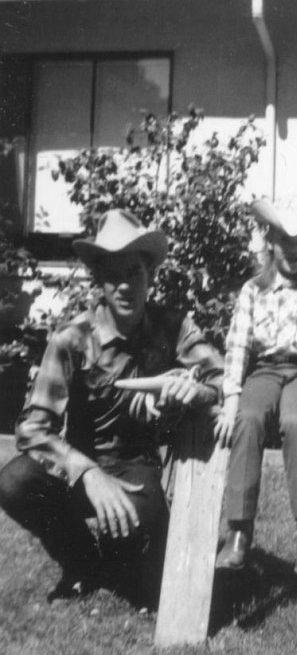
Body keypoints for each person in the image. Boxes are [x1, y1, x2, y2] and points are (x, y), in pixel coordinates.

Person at [0, 209, 224, 607]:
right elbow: (32, 429)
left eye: (134, 272)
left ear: (151, 275)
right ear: (99, 282)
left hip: (139, 466)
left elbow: (222, 380)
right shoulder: (72, 338)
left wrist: (195, 391)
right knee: (13, 481)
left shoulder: (174, 326)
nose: (125, 285)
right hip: (80, 465)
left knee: (146, 586)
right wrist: (87, 472)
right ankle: (79, 558)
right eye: (113, 275)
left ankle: (121, 555)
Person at [215, 195, 297, 576]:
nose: (293, 248)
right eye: (285, 239)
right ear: (269, 240)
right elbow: (237, 345)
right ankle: (238, 530)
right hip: (265, 371)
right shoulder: (253, 290)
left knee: (295, 420)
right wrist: (230, 397)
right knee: (249, 417)